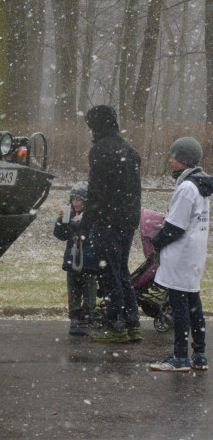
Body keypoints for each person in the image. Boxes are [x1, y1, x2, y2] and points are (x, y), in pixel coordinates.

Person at [148, 137, 210, 372]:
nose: (170, 160)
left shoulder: (186, 187)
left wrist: (156, 240)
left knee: (179, 306)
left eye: (174, 156)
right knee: (194, 303)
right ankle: (200, 355)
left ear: (185, 159)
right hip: (194, 255)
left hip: (180, 255)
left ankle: (180, 357)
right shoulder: (201, 186)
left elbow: (175, 227)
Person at [81, 105, 142, 344]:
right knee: (122, 270)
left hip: (107, 219)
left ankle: (116, 325)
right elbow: (134, 189)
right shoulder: (129, 149)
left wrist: (86, 225)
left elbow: (96, 193)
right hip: (127, 219)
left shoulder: (100, 151)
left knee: (109, 273)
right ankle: (132, 322)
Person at [53, 182, 97, 337]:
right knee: (73, 291)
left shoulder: (92, 216)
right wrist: (61, 221)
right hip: (72, 259)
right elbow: (61, 235)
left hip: (89, 260)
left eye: (80, 199)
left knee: (89, 290)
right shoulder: (69, 214)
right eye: (74, 199)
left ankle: (88, 316)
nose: (76, 203)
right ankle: (75, 317)